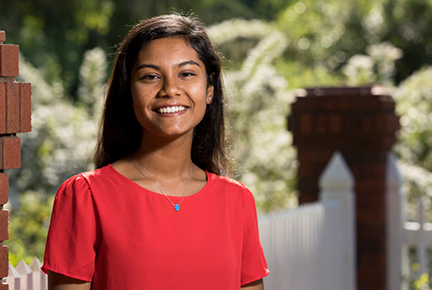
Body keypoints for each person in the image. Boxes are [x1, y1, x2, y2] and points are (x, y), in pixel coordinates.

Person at [42, 13, 269, 290]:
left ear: (209, 90)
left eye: (186, 74)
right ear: (128, 92)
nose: (170, 89)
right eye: (150, 76)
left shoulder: (237, 201)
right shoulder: (86, 197)